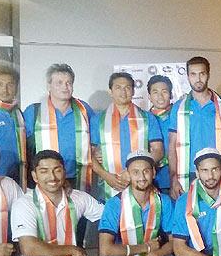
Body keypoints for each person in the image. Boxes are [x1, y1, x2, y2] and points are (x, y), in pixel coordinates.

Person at [168, 56, 221, 199]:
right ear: (188, 76)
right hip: (188, 172)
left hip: (217, 171)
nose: (198, 78)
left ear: (208, 75)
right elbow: (172, 145)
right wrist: (173, 178)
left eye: (202, 73)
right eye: (193, 74)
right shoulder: (178, 107)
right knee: (189, 215)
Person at [91, 72, 163, 200]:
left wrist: (135, 171)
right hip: (108, 184)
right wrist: (106, 176)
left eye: (127, 88)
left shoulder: (147, 118)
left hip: (141, 182)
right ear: (110, 91)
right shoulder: (98, 120)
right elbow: (89, 155)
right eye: (118, 87)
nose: (123, 92)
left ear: (134, 91)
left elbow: (158, 150)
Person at [24, 64, 95, 193]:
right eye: (59, 83)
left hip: (78, 178)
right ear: (48, 86)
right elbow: (24, 149)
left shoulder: (84, 110)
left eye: (69, 83)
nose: (65, 87)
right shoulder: (34, 112)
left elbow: (96, 140)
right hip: (46, 180)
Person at [147, 75, 174, 193]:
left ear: (171, 94)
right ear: (149, 96)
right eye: (155, 92)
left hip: (177, 176)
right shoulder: (142, 119)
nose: (160, 97)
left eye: (164, 92)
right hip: (150, 178)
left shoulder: (180, 116)